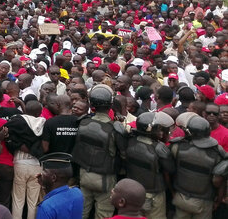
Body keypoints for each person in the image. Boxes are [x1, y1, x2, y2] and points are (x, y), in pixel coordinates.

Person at [72, 85, 126, 219]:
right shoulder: (115, 129)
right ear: (111, 105)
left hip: (84, 175)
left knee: (81, 213)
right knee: (104, 215)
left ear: (91, 104)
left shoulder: (83, 123)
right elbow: (124, 154)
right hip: (105, 179)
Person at [170, 115, 228, 219]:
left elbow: (169, 170)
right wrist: (219, 200)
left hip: (181, 196)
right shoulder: (217, 152)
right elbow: (219, 181)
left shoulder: (177, 146)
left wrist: (172, 192)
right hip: (204, 201)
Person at [125, 111, 174, 219]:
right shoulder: (159, 148)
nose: (160, 132)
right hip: (154, 193)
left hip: (133, 191)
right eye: (158, 129)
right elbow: (170, 169)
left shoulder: (130, 141)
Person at [35, 152, 83, 219]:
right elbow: (56, 196)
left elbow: (53, 200)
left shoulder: (46, 208)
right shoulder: (77, 193)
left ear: (53, 178)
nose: (41, 174)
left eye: (44, 171)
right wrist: (45, 185)